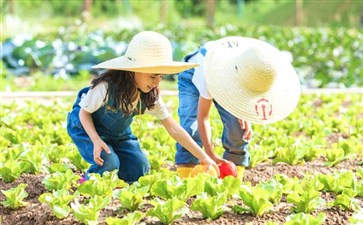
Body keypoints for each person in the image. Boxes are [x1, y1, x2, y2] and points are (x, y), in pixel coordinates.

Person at [67, 31, 218, 184]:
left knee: (140, 167)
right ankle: (87, 182)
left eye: (160, 77)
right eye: (152, 76)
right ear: (133, 69)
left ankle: (114, 181)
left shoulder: (150, 96)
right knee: (109, 162)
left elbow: (174, 128)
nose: (156, 83)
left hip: (118, 134)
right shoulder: (105, 87)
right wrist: (96, 140)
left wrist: (203, 157)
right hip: (86, 129)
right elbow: (84, 113)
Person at [175, 36, 301, 179]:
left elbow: (243, 90)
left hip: (235, 74)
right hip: (194, 73)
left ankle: (232, 178)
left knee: (239, 129)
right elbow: (203, 117)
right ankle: (186, 176)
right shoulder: (209, 73)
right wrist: (210, 155)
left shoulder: (253, 69)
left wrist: (242, 112)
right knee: (191, 129)